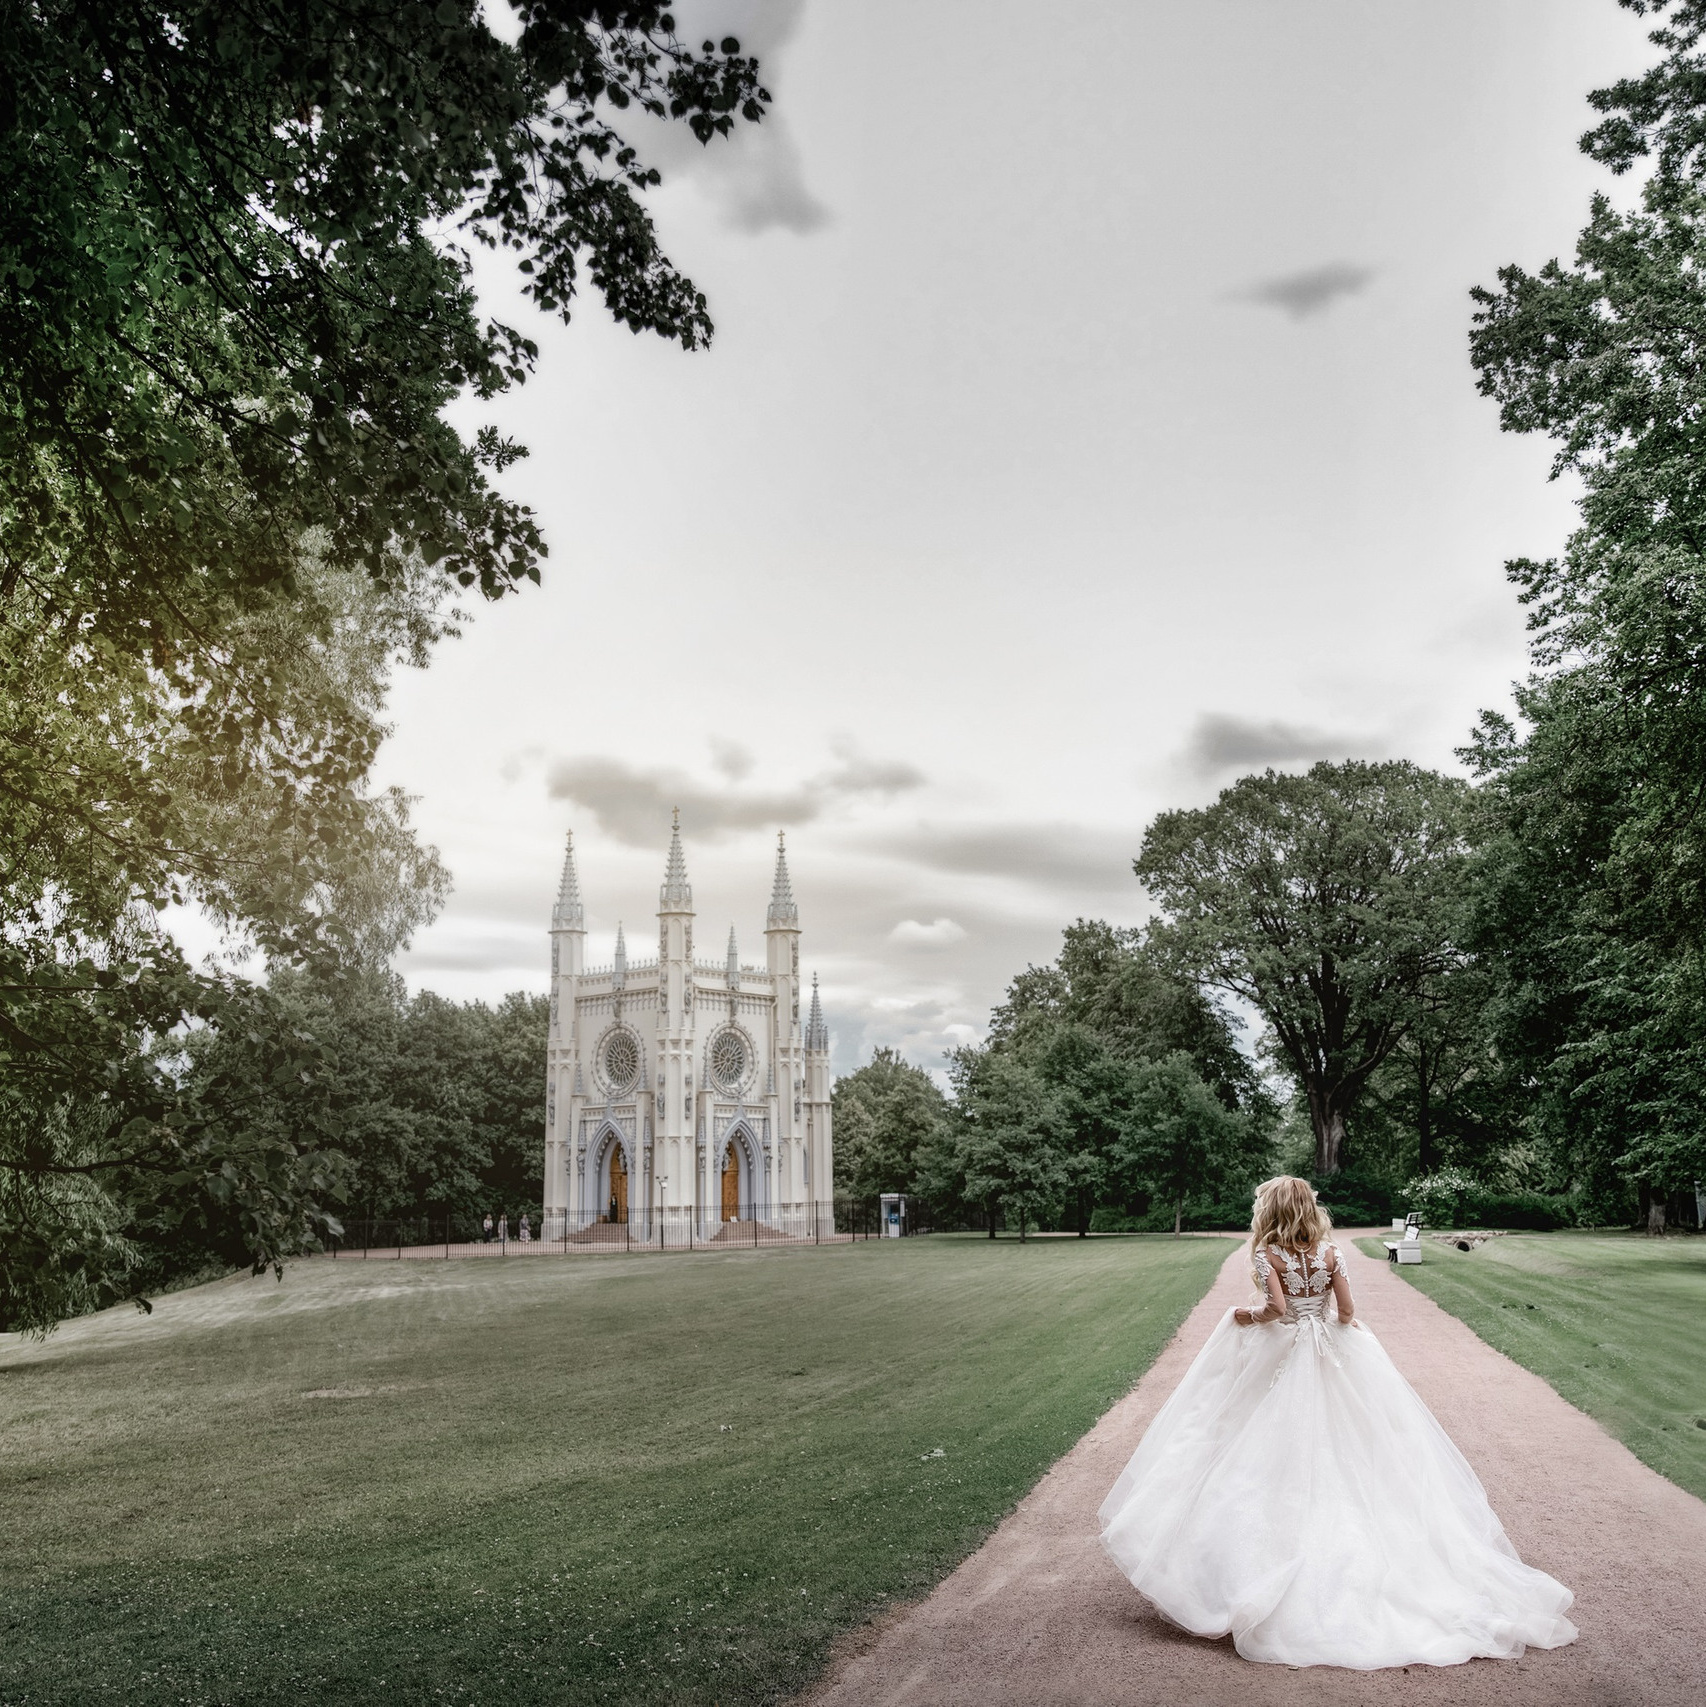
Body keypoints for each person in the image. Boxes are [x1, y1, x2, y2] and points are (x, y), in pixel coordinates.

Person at [1098, 1175, 1577, 1670]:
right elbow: (1347, 1311)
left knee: (1256, 1444)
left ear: (1271, 1211)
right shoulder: (1330, 1253)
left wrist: (1244, 1316)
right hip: (1331, 1344)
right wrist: (1336, 1327)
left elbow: (1275, 1309)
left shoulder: (1268, 1255)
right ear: (1309, 1209)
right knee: (1360, 1445)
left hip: (1284, 1348)